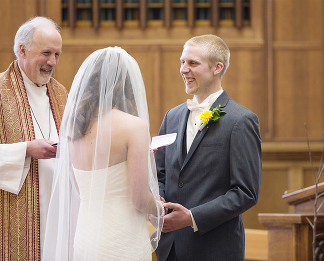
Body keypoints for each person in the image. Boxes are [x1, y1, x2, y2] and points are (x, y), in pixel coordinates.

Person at [0, 16, 67, 260]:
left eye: (57, 55)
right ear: (22, 50)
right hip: (4, 221)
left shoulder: (61, 95)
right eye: (46, 53)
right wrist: (25, 150)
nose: (52, 62)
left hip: (53, 216)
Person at [42, 47, 165, 260]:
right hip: (122, 239)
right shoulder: (133, 126)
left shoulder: (74, 127)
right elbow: (139, 199)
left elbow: (81, 188)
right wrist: (159, 205)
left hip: (86, 238)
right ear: (128, 84)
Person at [154, 34, 261, 260]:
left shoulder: (241, 120)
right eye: (182, 62)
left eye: (192, 63)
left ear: (217, 68)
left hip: (214, 249)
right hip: (169, 247)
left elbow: (246, 192)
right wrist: (159, 203)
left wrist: (192, 217)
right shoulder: (171, 117)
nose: (184, 69)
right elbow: (159, 173)